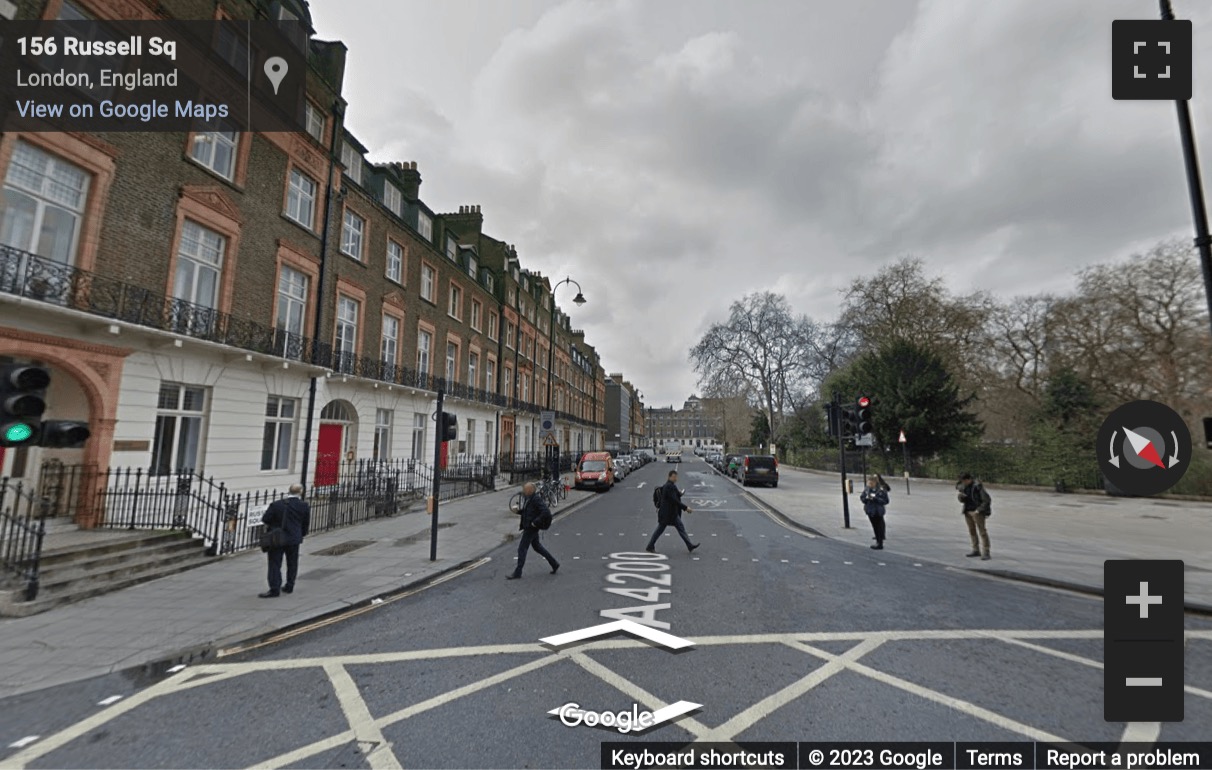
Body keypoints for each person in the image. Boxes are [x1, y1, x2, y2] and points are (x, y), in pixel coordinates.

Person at [259, 483, 311, 598]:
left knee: (274, 563)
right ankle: (289, 586)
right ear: (300, 492)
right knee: (292, 563)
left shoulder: (276, 505)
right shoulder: (304, 506)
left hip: (277, 539)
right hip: (294, 539)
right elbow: (306, 523)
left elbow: (265, 519)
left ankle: (274, 589)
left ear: (289, 491)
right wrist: (301, 534)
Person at [507, 481, 559, 579]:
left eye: (525, 489)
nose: (523, 490)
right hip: (530, 527)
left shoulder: (536, 499)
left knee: (522, 549)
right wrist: (518, 511)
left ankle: (518, 573)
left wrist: (535, 522)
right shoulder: (528, 498)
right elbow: (528, 512)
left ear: (530, 490)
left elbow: (546, 512)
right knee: (537, 547)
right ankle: (554, 563)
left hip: (531, 528)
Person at [646, 470, 698, 553]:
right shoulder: (669, 487)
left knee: (680, 528)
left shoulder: (669, 486)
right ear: (669, 477)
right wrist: (685, 508)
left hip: (670, 514)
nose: (676, 478)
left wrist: (680, 493)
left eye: (676, 477)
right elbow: (675, 500)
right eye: (674, 477)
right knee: (660, 530)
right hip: (667, 514)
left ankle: (690, 545)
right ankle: (650, 545)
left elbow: (676, 495)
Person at [957, 472, 992, 560]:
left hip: (977, 512)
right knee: (972, 531)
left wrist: (979, 510)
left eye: (964, 481)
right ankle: (976, 549)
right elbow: (962, 500)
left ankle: (986, 552)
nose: (963, 483)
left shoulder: (977, 487)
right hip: (967, 511)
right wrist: (961, 497)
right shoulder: (964, 487)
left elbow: (986, 500)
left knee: (982, 532)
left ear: (969, 479)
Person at [860, 476, 889, 549]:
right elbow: (862, 497)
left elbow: (885, 501)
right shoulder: (867, 489)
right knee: (874, 526)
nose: (869, 485)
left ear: (875, 483)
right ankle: (878, 540)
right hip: (870, 510)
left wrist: (876, 499)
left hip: (878, 510)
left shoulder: (881, 490)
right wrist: (866, 498)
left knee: (879, 526)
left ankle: (880, 543)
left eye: (871, 483)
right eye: (868, 483)